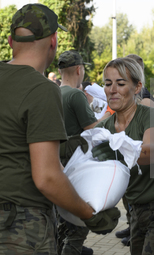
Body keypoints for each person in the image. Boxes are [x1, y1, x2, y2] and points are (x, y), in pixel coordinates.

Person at [0, 4, 120, 255]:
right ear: (53, 41)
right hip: (21, 222)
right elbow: (47, 177)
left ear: (11, 40)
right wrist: (89, 214)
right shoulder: (41, 89)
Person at [92, 57, 154, 255]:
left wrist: (114, 151)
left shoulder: (150, 115)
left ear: (137, 87)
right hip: (137, 211)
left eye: (120, 83)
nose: (112, 89)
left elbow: (150, 152)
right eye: (107, 83)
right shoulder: (104, 128)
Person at [57, 50, 99, 255]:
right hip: (76, 164)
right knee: (78, 227)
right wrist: (108, 114)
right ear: (78, 69)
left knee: (61, 223)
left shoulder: (54, 92)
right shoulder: (75, 95)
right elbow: (92, 128)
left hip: (57, 164)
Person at [114, 53, 154, 247]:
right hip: (129, 156)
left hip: (141, 157)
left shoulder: (146, 98)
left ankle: (137, 230)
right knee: (129, 196)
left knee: (140, 199)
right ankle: (132, 226)